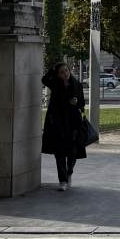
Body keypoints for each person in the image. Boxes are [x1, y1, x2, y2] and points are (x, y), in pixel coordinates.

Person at [41, 62, 87, 191]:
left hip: (73, 123)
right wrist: (53, 68)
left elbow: (82, 103)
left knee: (73, 152)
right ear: (57, 74)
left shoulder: (77, 84)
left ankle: (69, 172)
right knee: (59, 152)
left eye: (66, 70)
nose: (65, 73)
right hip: (58, 123)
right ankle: (62, 180)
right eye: (61, 72)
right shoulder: (55, 84)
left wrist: (76, 103)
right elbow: (44, 79)